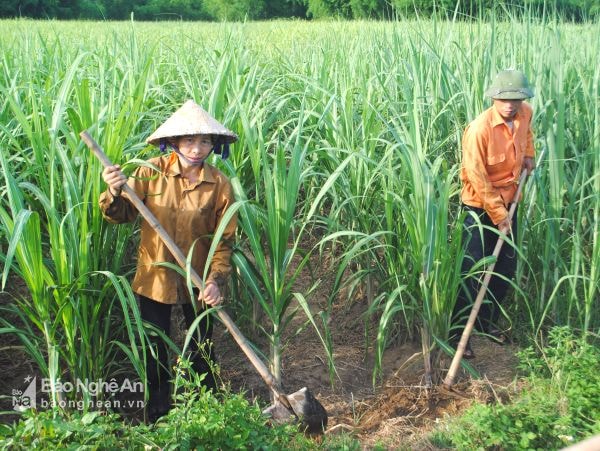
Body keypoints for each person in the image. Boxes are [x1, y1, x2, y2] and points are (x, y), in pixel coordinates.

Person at [99, 99, 238, 422]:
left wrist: (216, 281)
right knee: (154, 347)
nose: (197, 148)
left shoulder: (219, 185)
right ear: (174, 142)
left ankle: (208, 408)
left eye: (204, 141)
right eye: (189, 140)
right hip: (155, 276)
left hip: (199, 280)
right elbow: (119, 215)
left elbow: (224, 241)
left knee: (202, 344)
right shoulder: (150, 172)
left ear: (213, 145)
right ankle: (159, 412)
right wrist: (115, 191)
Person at [451, 69, 536, 359]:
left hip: (511, 201)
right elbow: (477, 178)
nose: (510, 105)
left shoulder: (526, 114)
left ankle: (486, 325)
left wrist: (529, 155)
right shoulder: (479, 130)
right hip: (479, 205)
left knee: (505, 269)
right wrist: (499, 216)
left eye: (515, 99)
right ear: (494, 98)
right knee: (472, 269)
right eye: (504, 99)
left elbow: (528, 135)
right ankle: (457, 334)